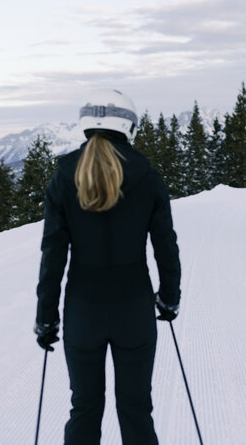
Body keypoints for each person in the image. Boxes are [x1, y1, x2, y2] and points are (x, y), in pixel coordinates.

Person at [34, 89, 182, 444]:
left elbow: (53, 254)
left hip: (83, 310)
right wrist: (169, 297)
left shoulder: (64, 178)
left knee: (84, 408)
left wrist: (46, 316)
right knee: (135, 408)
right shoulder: (147, 177)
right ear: (128, 124)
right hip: (134, 308)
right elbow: (166, 246)